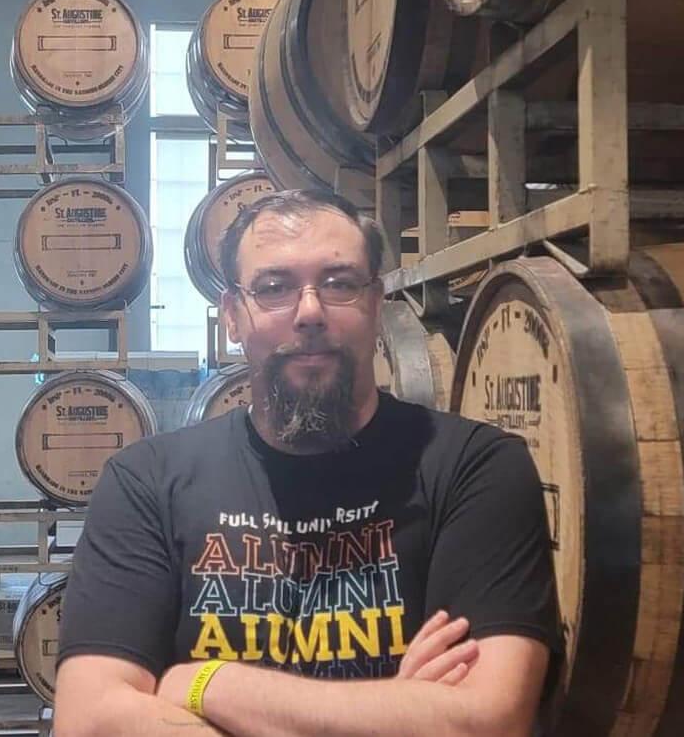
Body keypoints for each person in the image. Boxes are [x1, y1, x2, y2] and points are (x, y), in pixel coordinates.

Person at [53, 189, 560, 737]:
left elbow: (486, 722)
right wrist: (399, 708)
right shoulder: (148, 482)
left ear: (375, 302)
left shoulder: (474, 467)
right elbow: (90, 721)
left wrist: (209, 685)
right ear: (232, 315)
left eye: (340, 283)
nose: (310, 311)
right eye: (274, 288)